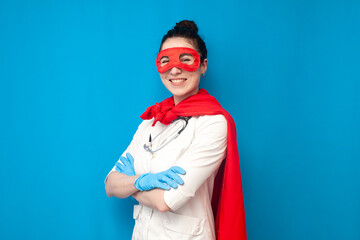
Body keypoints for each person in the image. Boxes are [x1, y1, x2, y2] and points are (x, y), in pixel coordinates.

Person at [105, 20, 246, 240]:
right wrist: (141, 181)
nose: (174, 69)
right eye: (165, 61)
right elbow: (110, 184)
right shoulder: (150, 121)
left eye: (186, 60)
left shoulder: (214, 124)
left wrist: (131, 182)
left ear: (203, 65)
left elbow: (166, 201)